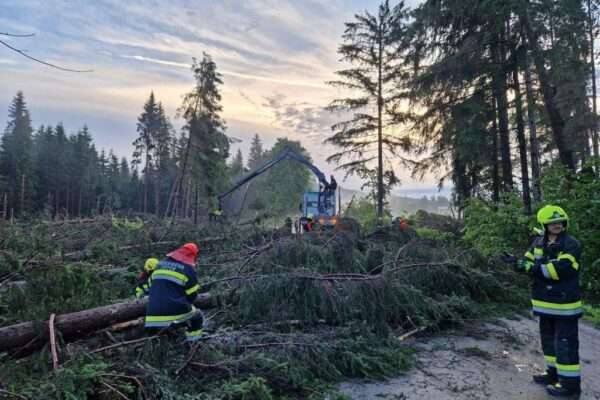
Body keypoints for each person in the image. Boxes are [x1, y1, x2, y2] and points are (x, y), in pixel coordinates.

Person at [504, 205, 582, 397]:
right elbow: (527, 263)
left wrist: (531, 267)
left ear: (565, 223)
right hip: (544, 304)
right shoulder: (538, 242)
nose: (556, 225)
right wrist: (516, 263)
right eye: (552, 222)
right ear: (544, 224)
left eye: (559, 221)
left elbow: (559, 270)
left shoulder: (571, 244)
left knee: (565, 345)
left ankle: (570, 388)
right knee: (548, 342)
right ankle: (553, 375)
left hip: (564, 306)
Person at [144, 243, 204, 342]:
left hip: (151, 316)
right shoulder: (188, 270)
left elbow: (151, 287)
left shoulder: (159, 265)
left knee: (156, 338)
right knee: (197, 316)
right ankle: (194, 343)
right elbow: (192, 296)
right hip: (174, 314)